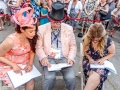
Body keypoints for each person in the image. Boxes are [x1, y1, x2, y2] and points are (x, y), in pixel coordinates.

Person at [36, 1, 77, 90]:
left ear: (62, 20)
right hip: (49, 58)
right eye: (53, 22)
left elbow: (73, 46)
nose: (55, 24)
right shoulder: (41, 29)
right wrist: (43, 58)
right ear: (50, 19)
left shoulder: (69, 29)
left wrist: (70, 58)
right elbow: (38, 47)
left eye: (58, 23)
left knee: (71, 78)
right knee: (49, 78)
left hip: (64, 58)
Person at [0, 7, 38, 90]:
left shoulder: (30, 38)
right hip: (9, 64)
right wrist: (13, 65)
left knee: (30, 82)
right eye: (31, 31)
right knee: (15, 86)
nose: (34, 34)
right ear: (22, 29)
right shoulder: (10, 41)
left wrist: (31, 64)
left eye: (35, 31)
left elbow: (32, 51)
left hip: (24, 63)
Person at [82, 23, 115, 90]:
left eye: (98, 39)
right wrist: (89, 57)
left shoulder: (108, 41)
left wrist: (103, 59)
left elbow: (112, 53)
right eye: (93, 38)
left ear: (102, 36)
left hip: (102, 62)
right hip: (88, 60)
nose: (95, 40)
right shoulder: (87, 38)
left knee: (97, 74)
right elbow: (85, 51)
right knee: (92, 75)